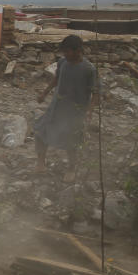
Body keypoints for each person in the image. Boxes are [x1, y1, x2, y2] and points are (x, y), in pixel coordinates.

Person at [34, 34, 98, 181]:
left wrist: (90, 111)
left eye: (68, 51)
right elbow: (57, 78)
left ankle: (71, 169)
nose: (65, 54)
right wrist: (44, 93)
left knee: (72, 140)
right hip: (56, 106)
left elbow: (96, 92)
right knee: (40, 131)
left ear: (78, 50)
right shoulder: (63, 62)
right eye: (64, 51)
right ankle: (41, 163)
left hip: (75, 111)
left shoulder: (89, 69)